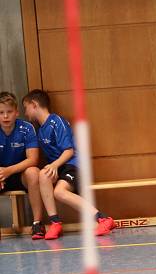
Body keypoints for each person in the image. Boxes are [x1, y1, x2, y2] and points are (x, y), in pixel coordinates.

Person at [21, 90, 115, 241]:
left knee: (59, 192)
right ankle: (55, 222)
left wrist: (54, 165)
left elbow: (69, 151)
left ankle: (103, 219)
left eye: (26, 108)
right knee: (43, 175)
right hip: (60, 168)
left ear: (34, 104)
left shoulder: (57, 121)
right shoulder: (39, 128)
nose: (25, 113)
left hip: (73, 165)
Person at [0, 91, 45, 239]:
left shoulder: (26, 128)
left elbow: (33, 159)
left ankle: (37, 223)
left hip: (20, 174)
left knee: (33, 172)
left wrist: (9, 170)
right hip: (2, 175)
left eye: (9, 112)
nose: (5, 116)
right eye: (1, 112)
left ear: (16, 112)